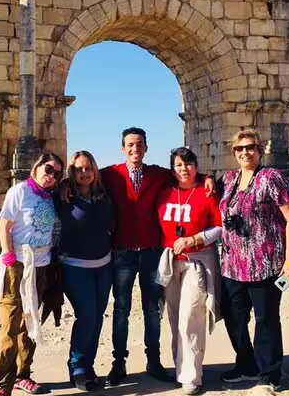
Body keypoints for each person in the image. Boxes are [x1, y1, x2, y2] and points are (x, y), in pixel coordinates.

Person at [99, 127, 215, 386]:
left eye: (139, 144)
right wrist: (63, 187)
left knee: (153, 310)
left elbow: (185, 173)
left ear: (146, 147)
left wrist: (207, 176)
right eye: (130, 145)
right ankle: (119, 363)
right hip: (123, 253)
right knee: (121, 309)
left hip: (152, 252)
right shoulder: (110, 174)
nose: (135, 149)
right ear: (123, 148)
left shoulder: (158, 174)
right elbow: (81, 177)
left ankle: (153, 361)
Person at [218, 130, 289, 391]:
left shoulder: (272, 177)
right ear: (233, 152)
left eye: (250, 147)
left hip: (265, 263)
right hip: (232, 264)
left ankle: (270, 371)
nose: (245, 152)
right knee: (233, 318)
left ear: (260, 150)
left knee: (266, 319)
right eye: (239, 149)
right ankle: (246, 364)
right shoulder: (228, 179)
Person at [0, 152, 64, 396]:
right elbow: (4, 224)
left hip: (42, 266)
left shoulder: (51, 196)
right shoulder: (20, 191)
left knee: (31, 323)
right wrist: (8, 255)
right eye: (48, 169)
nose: (51, 176)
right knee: (11, 325)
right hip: (20, 263)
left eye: (56, 173)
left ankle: (24, 375)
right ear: (37, 167)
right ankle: (2, 383)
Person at [155, 147, 223, 395]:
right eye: (179, 165)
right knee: (174, 319)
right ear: (173, 169)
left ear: (196, 165)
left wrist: (194, 239)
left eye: (189, 164)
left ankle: (192, 376)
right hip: (171, 260)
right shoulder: (165, 191)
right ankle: (181, 368)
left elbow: (220, 227)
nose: (184, 169)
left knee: (190, 319)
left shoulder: (208, 192)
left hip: (198, 260)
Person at [55, 150, 114, 391]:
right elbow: (39, 186)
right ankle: (78, 368)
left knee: (97, 318)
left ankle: (88, 367)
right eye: (79, 168)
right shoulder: (63, 196)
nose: (84, 172)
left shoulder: (104, 195)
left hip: (104, 264)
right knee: (87, 316)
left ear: (95, 170)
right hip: (75, 266)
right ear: (71, 171)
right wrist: (63, 184)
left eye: (88, 167)